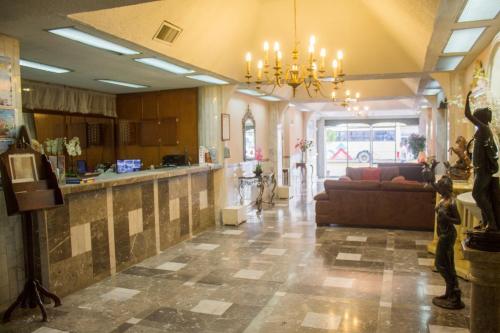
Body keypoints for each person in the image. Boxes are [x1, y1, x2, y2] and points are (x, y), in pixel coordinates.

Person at [464, 91, 499, 231]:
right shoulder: (482, 130)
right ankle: (486, 222)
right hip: (479, 169)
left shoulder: (484, 129)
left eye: (476, 116)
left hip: (484, 170)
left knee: (477, 194)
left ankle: (492, 223)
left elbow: (467, 114)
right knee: (483, 196)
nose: (474, 119)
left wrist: (467, 99)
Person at [432, 175, 464, 309]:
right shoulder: (443, 199)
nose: (438, 189)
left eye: (440, 187)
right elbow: (433, 185)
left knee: (441, 264)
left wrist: (447, 217)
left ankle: (455, 292)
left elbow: (458, 221)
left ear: (445, 188)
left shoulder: (451, 202)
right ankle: (449, 292)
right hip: (443, 235)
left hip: (448, 235)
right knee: (448, 264)